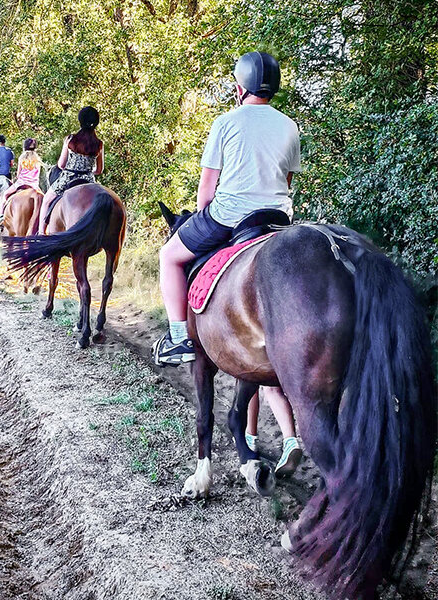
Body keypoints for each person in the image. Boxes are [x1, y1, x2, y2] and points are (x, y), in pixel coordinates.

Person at [152, 51, 302, 472]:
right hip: (278, 219)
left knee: (170, 256)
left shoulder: (227, 121)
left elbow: (205, 193)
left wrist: (208, 212)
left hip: (230, 215)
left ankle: (180, 334)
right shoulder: (290, 126)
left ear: (241, 86)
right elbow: (286, 183)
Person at [36, 106, 104, 235]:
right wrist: (89, 171)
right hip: (88, 180)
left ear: (80, 121)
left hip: (68, 177)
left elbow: (61, 165)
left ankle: (41, 233)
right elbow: (99, 170)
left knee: (46, 200)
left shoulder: (71, 139)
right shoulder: (99, 143)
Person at [0, 138, 43, 224]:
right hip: (34, 185)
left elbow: (18, 174)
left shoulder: (22, 158)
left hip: (21, 183)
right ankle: (44, 220)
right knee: (44, 201)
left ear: (24, 147)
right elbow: (38, 174)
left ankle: (1, 215)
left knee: (5, 194)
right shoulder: (37, 159)